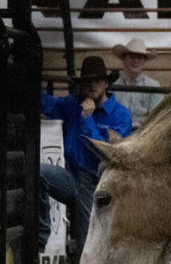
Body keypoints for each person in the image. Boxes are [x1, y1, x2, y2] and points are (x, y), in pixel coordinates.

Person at [38, 56, 132, 257]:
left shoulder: (120, 115)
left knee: (85, 247)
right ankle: (40, 237)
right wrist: (26, 79)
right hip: (72, 176)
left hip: (99, 185)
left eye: (96, 80)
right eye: (86, 81)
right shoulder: (74, 103)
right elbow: (47, 103)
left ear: (106, 84)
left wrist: (87, 120)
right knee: (39, 173)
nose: (91, 85)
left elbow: (107, 154)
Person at [112, 38, 164, 130]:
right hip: (117, 131)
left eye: (139, 57)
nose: (136, 61)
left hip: (144, 134)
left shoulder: (154, 86)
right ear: (124, 59)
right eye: (132, 56)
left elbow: (156, 118)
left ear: (144, 61)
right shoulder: (112, 87)